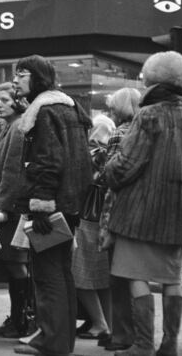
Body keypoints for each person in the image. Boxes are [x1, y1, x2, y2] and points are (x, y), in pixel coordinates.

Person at [104, 51, 182, 356]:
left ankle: (143, 345)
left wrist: (107, 167)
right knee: (172, 278)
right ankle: (169, 343)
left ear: (152, 79)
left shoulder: (148, 115)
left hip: (140, 214)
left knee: (137, 275)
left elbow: (126, 165)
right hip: (179, 213)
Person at [11, 55, 92, 356]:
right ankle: (60, 338)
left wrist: (41, 205)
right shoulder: (68, 108)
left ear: (38, 78)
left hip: (49, 205)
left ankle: (52, 341)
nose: (17, 79)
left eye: (22, 74)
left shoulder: (43, 112)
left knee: (47, 274)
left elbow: (47, 160)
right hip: (69, 204)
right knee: (61, 271)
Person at [98, 87, 142, 352]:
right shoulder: (143, 131)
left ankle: (122, 333)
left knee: (118, 277)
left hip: (116, 212)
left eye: (114, 105)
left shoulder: (119, 133)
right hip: (139, 212)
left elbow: (109, 176)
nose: (110, 110)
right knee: (136, 276)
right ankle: (137, 332)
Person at [0, 83, 30, 338]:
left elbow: (12, 170)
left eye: (4, 100)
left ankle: (20, 320)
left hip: (12, 208)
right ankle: (17, 318)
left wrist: (3, 208)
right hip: (8, 205)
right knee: (12, 264)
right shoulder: (7, 128)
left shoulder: (17, 128)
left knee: (17, 265)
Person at [72, 114, 115, 344]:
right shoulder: (112, 151)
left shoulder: (93, 155)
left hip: (87, 218)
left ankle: (99, 323)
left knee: (80, 273)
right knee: (101, 277)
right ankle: (107, 323)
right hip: (101, 219)